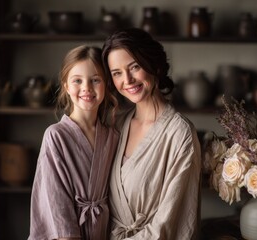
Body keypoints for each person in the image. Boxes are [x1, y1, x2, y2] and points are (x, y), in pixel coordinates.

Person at [101, 28, 202, 239]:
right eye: (117, 73)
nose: (127, 80)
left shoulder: (179, 133)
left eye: (134, 67)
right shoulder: (117, 125)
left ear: (154, 65)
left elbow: (171, 223)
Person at [28, 45, 119, 240]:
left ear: (107, 85)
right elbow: (56, 202)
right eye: (77, 80)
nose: (86, 88)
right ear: (66, 86)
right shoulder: (56, 136)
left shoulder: (112, 136)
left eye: (95, 80)